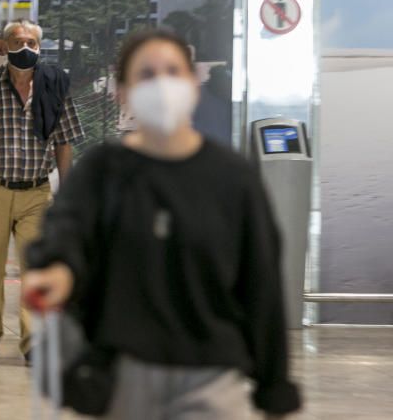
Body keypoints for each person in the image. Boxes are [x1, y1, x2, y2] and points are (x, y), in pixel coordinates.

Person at [22, 29, 302, 419]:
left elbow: (261, 282)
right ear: (124, 91)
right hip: (125, 373)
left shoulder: (232, 178)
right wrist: (58, 270)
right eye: (147, 75)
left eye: (172, 71)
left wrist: (274, 384)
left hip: (214, 374)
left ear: (193, 84)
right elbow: (68, 232)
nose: (162, 84)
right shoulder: (103, 172)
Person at [0, 19, 83, 362]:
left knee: (35, 269)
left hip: (36, 193)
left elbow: (65, 143)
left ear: (40, 48)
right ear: (6, 46)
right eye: (18, 42)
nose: (25, 49)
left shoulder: (54, 87)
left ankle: (34, 341)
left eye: (32, 43)